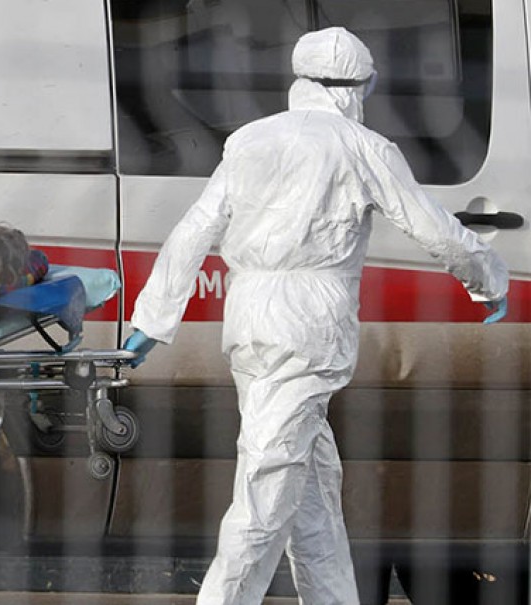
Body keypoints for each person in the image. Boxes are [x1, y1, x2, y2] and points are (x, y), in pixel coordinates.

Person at [122, 27, 508, 605]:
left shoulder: (249, 140)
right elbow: (435, 229)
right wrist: (489, 280)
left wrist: (152, 320)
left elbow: (195, 228)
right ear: (357, 86)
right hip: (308, 328)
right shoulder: (363, 147)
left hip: (249, 321)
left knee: (312, 495)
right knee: (265, 494)